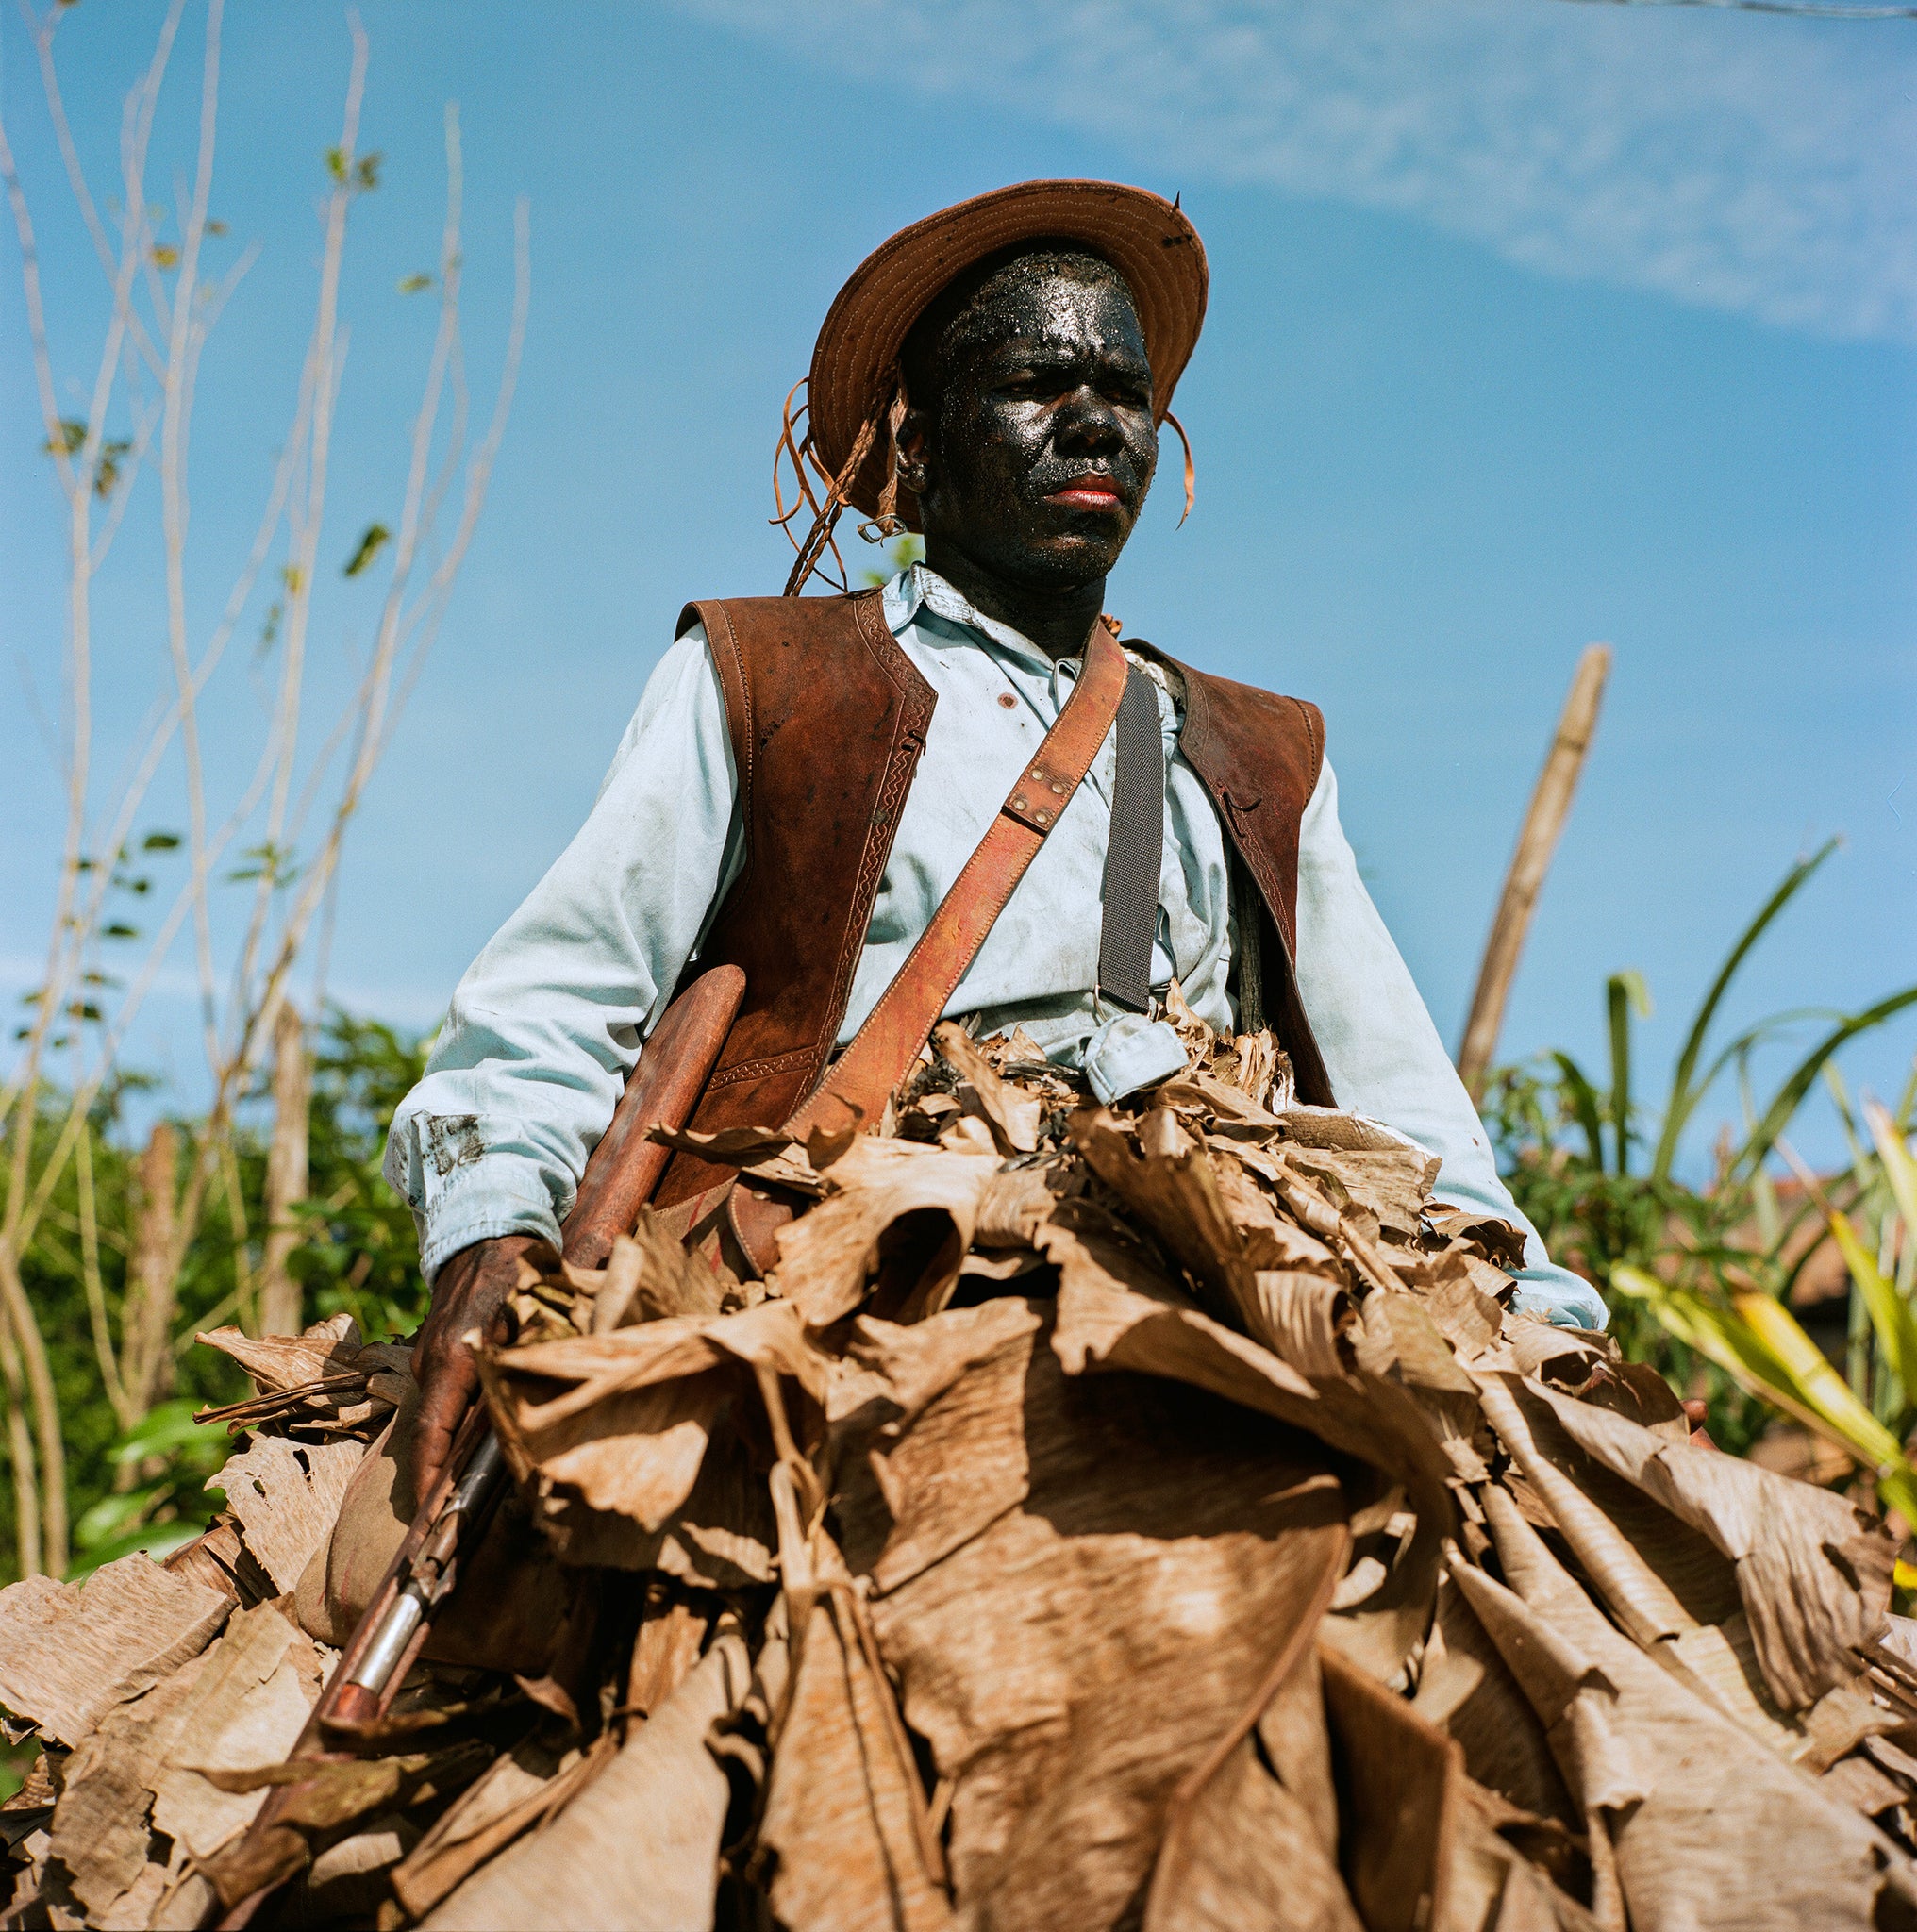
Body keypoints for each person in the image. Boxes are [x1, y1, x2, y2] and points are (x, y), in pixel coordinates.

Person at [386, 180, 1606, 1503]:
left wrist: (1538, 1316)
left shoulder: (1252, 750)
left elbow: (1398, 1092)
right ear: (916, 441)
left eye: (1125, 392)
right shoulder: (769, 681)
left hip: (1203, 1306)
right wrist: (491, 1235)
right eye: (1037, 378)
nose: (1096, 419)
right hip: (844, 1301)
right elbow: (553, 1000)